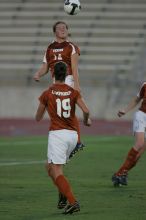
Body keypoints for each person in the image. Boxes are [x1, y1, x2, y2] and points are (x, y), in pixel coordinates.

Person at [35, 61, 91, 214]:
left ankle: (72, 202)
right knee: (49, 167)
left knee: (57, 171)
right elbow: (86, 110)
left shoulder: (47, 93)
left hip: (58, 135)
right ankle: (63, 191)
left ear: (53, 74)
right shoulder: (73, 92)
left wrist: (47, 106)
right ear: (66, 74)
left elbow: (38, 117)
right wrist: (86, 121)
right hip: (72, 136)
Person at [33, 20, 83, 155]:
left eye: (65, 27)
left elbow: (74, 67)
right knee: (62, 111)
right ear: (54, 31)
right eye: (60, 27)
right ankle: (73, 140)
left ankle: (76, 141)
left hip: (68, 80)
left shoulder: (71, 46)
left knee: (66, 110)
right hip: (56, 82)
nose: (63, 29)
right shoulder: (50, 47)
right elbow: (46, 67)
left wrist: (77, 85)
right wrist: (38, 73)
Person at [112, 82, 146, 187]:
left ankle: (121, 173)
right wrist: (125, 110)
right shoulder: (145, 85)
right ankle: (121, 173)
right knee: (140, 143)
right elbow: (137, 99)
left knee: (139, 154)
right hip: (142, 116)